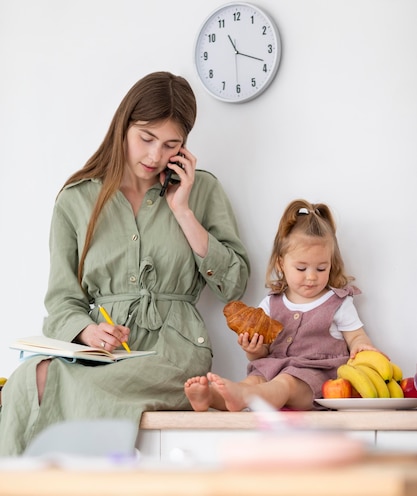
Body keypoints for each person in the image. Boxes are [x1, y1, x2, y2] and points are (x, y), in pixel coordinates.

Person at [0, 71, 250, 455]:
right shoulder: (76, 200)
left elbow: (232, 286)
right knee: (25, 379)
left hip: (175, 356)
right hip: (105, 356)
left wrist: (182, 211)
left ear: (184, 147)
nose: (154, 156)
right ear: (123, 127)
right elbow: (62, 301)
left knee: (57, 382)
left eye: (171, 145)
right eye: (146, 138)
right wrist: (86, 332)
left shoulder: (202, 190)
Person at [184, 198, 380, 412]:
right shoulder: (271, 303)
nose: (312, 277)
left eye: (321, 268)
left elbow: (356, 336)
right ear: (281, 264)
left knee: (286, 382)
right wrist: (255, 350)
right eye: (302, 268)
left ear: (331, 264)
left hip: (315, 379)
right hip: (272, 370)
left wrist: (362, 345)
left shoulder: (338, 302)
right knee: (255, 380)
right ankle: (212, 397)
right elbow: (262, 354)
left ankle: (244, 397)